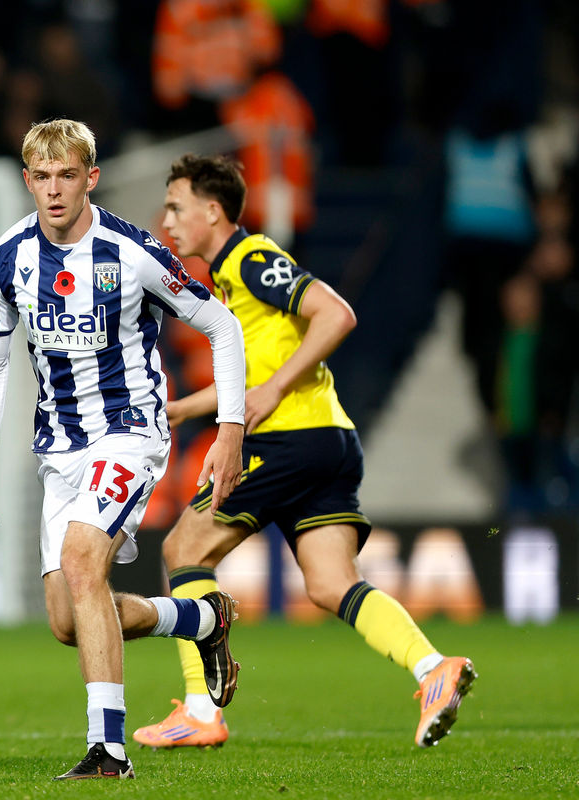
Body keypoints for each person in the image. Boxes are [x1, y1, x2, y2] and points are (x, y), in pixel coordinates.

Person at [131, 154, 476, 752]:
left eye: (176, 207)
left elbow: (335, 314)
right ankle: (433, 670)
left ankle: (199, 710)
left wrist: (273, 389)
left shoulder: (250, 259)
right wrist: (180, 410)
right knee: (331, 583)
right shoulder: (228, 282)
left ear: (213, 212)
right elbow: (255, 373)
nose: (166, 221)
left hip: (288, 441)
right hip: (329, 441)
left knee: (184, 548)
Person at [0, 119, 247, 780]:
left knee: (82, 560)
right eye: (43, 176)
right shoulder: (7, 259)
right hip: (57, 450)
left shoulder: (132, 252)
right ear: (27, 180)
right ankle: (201, 619)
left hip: (129, 431)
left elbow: (221, 324)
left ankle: (108, 750)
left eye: (69, 175)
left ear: (91, 178)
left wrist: (229, 430)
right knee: (69, 620)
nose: (55, 190)